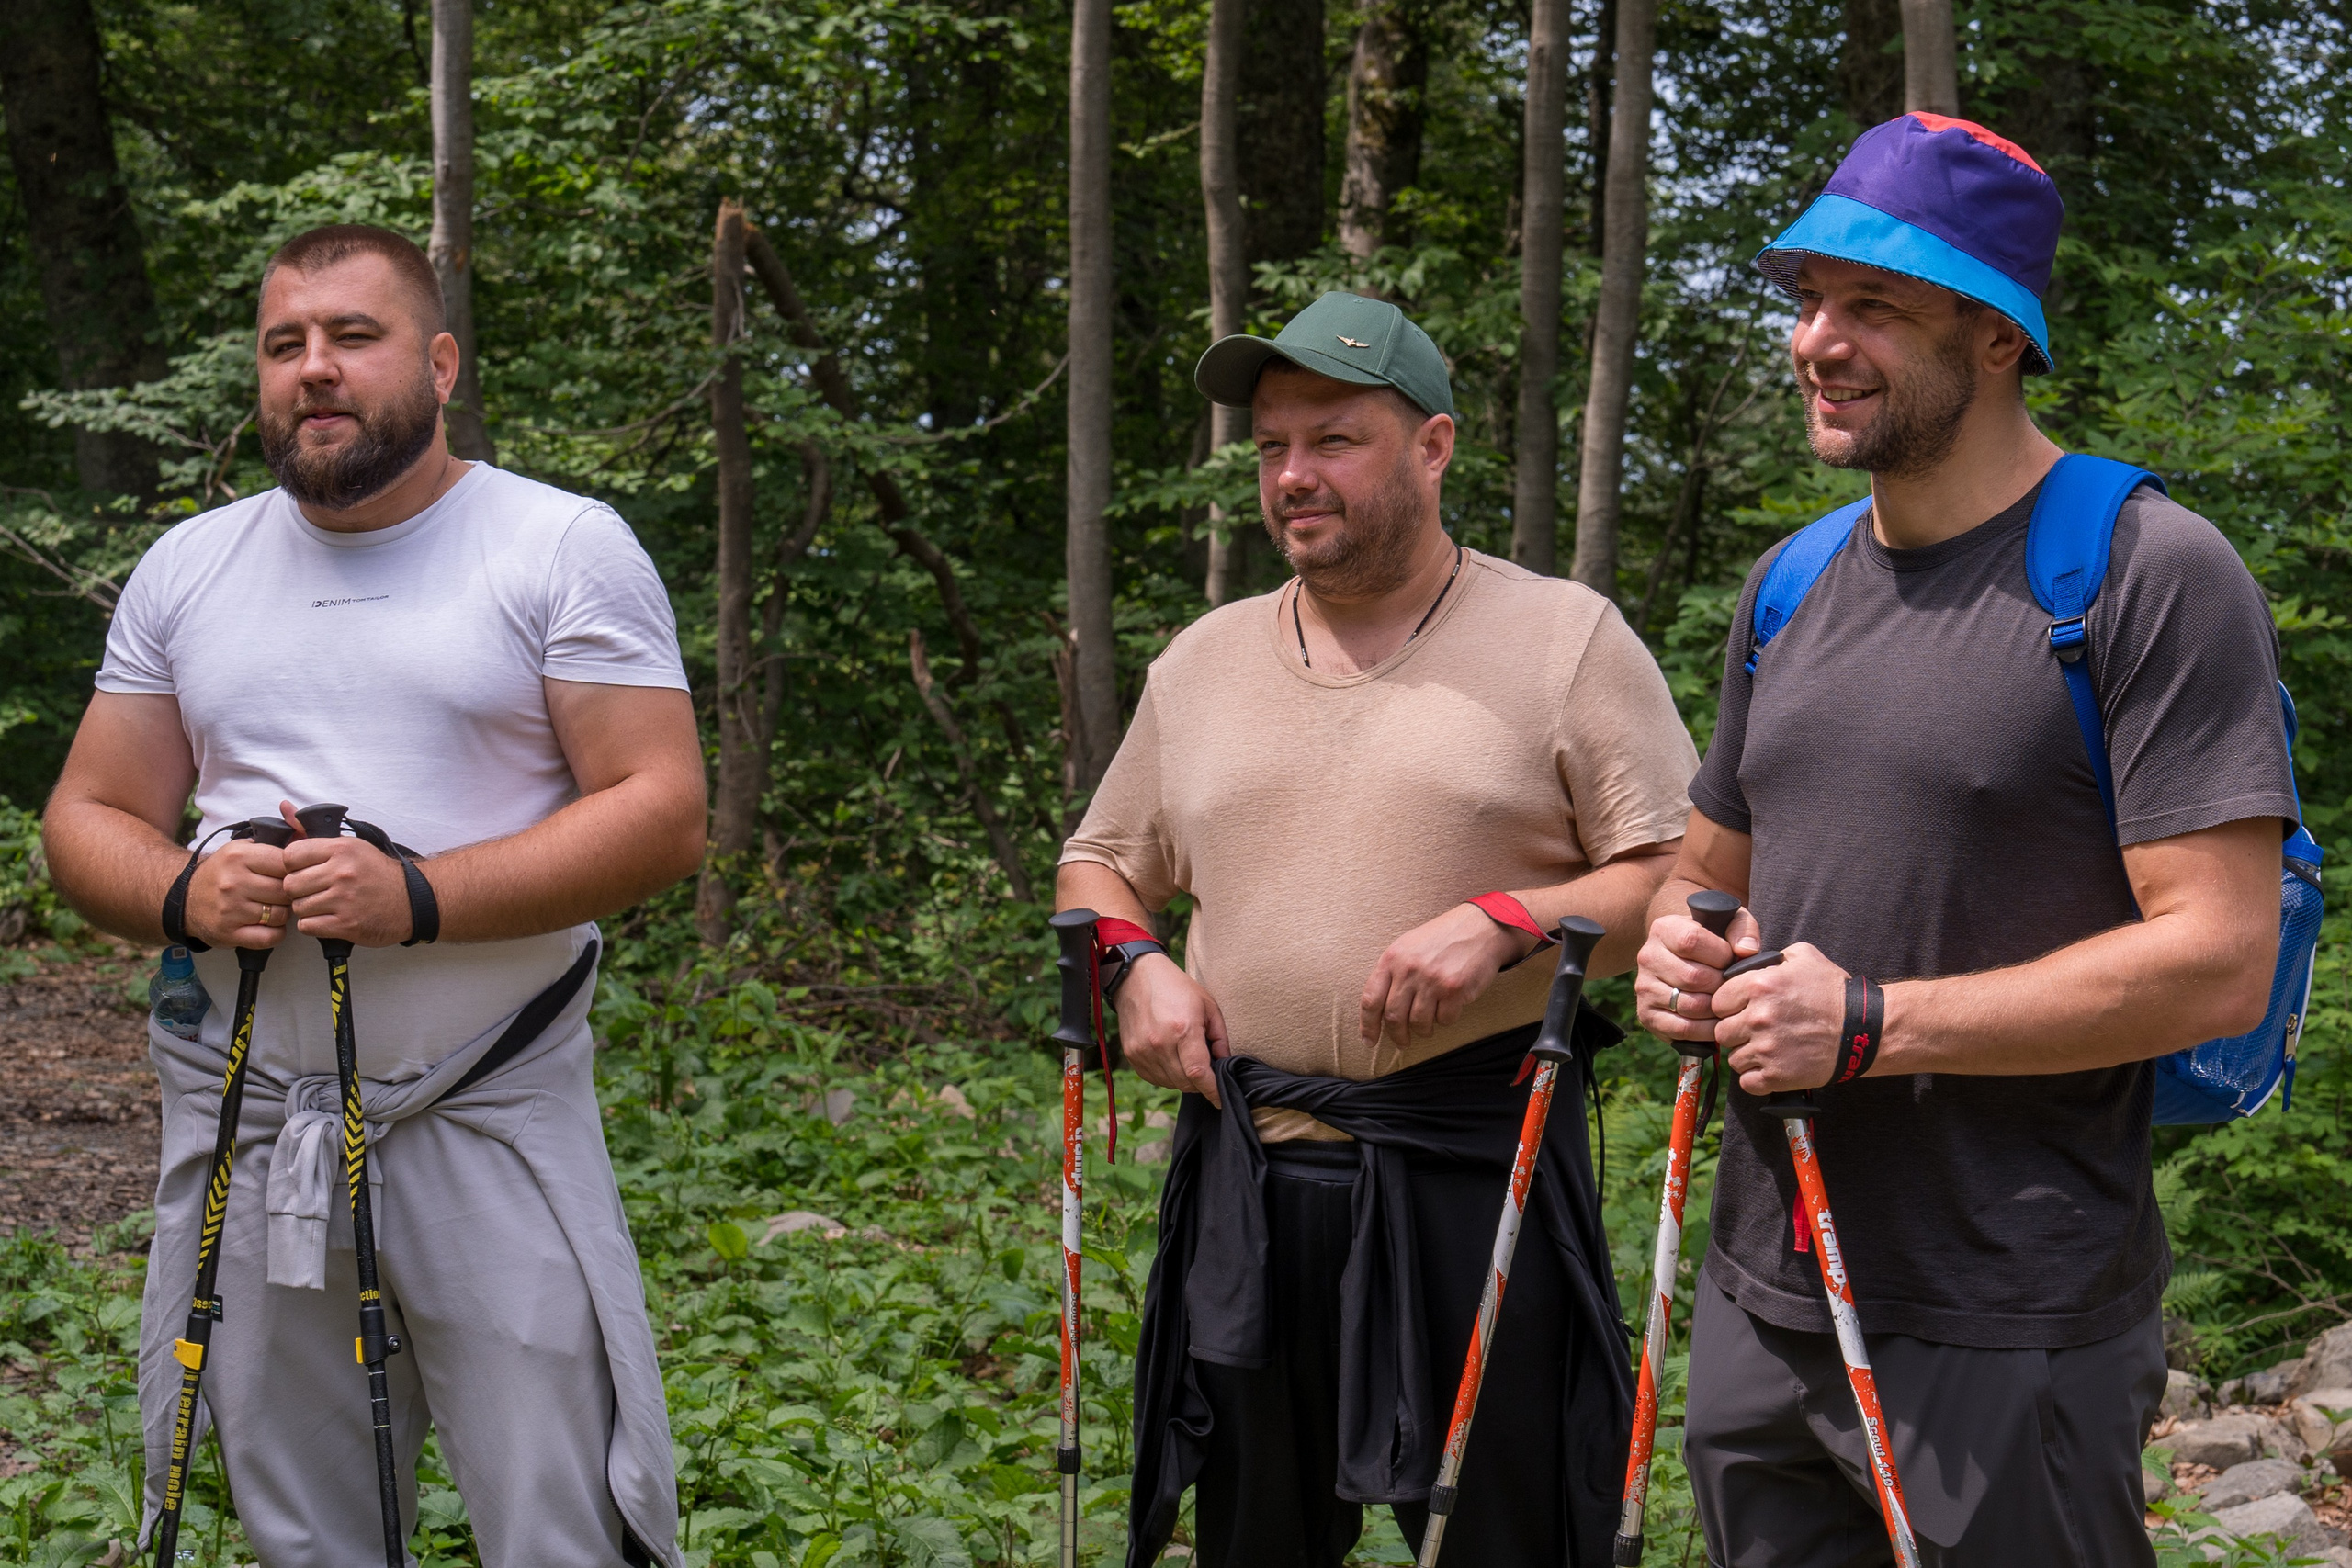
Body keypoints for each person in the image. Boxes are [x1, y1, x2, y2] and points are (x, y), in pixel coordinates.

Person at [1635, 115, 2298, 1565]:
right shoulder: (1792, 582)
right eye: (1808, 299)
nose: (1819, 338)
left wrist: (1874, 1023)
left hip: (2008, 1315)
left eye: (1875, 303)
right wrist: (1676, 957)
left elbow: (2220, 962)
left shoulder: (2144, 574)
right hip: (1768, 1288)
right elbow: (1704, 875)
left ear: (1998, 335)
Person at [43, 224, 704, 1568]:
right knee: (302, 1525)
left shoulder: (558, 546)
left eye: (354, 336)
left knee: (561, 1513)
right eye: (286, 346)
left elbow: (661, 810)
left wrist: (417, 897)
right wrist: (188, 888)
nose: (315, 371)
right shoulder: (192, 568)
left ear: (441, 362)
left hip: (485, 1107)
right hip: (250, 1114)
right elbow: (85, 818)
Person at [1059, 290, 1700, 1568]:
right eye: (1270, 447)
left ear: (1435, 445)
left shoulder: (1562, 637)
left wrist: (1511, 918)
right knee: (1253, 1537)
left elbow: (1683, 877)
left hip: (1476, 1168)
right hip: (1252, 1175)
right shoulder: (1203, 663)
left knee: (1506, 1537)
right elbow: (1100, 864)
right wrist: (1129, 966)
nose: (1294, 475)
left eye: (1335, 439)